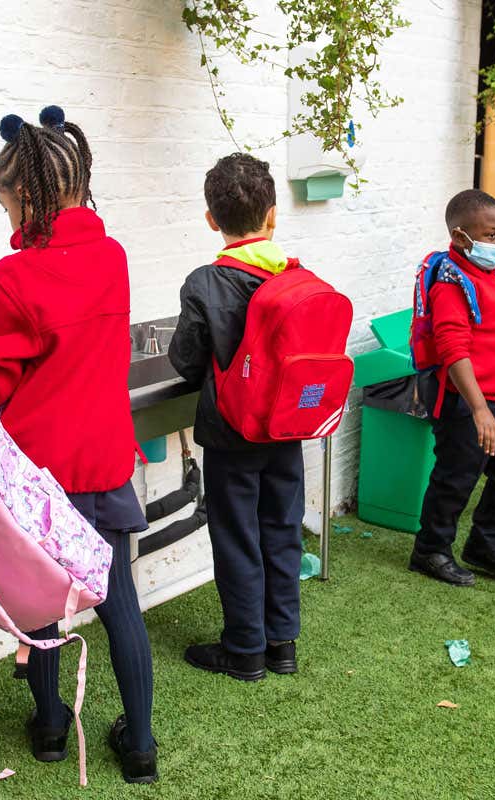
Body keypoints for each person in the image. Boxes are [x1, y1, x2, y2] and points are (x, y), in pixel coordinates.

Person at [0, 106, 158, 783]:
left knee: (45, 602)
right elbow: (62, 337)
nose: (6, 221)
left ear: (26, 196)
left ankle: (51, 729)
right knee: (118, 604)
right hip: (105, 458)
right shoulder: (111, 258)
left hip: (39, 476)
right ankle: (140, 748)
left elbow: (2, 376)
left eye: (5, 206)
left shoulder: (11, 279)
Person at [168, 153, 305, 682]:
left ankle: (245, 650)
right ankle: (281, 643)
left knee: (236, 536)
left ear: (210, 219)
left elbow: (185, 359)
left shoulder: (206, 283)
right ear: (273, 215)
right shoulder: (294, 277)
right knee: (281, 528)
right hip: (287, 428)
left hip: (232, 432)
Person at [408, 189, 495, 587]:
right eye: (492, 235)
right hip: (464, 400)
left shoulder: (488, 272)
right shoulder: (451, 281)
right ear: (462, 237)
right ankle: (430, 550)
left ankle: (485, 543)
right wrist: (478, 408)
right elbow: (452, 348)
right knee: (457, 476)